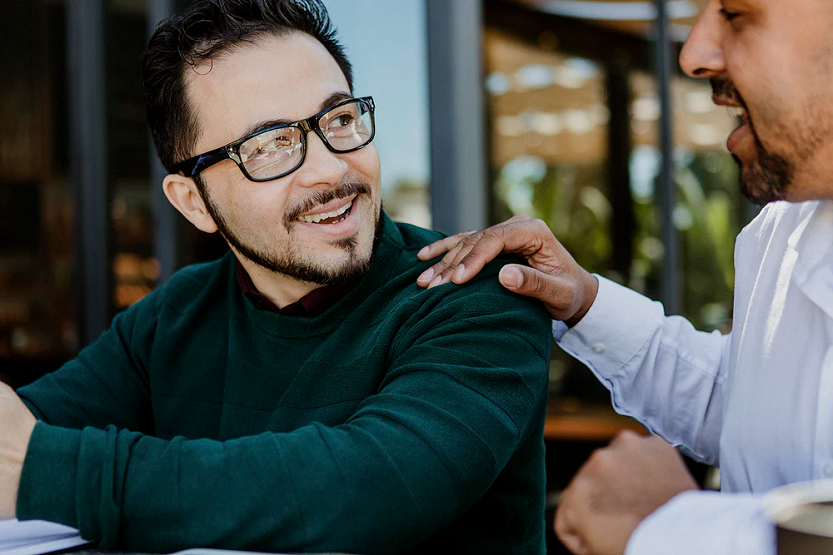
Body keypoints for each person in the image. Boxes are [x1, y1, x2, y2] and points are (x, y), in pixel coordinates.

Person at [0, 1, 553, 553]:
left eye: (340, 120)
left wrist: (55, 471)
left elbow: (368, 490)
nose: (331, 169)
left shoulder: (479, 295)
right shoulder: (174, 318)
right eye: (269, 146)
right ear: (194, 202)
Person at [415, 0, 833, 554]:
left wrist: (665, 528)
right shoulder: (781, 230)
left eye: (735, 13)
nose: (693, 54)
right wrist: (584, 300)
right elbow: (746, 405)